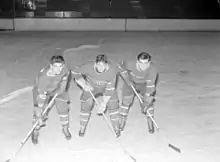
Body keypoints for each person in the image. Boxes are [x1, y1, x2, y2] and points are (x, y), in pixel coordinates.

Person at [71, 54, 121, 137]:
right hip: (92, 87)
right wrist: (84, 85)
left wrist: (104, 104)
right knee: (86, 104)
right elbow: (74, 72)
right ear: (95, 63)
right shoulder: (88, 67)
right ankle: (82, 126)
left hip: (106, 88)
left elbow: (109, 90)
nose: (101, 68)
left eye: (103, 65)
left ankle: (116, 127)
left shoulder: (112, 70)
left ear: (106, 64)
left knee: (113, 104)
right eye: (98, 65)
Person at [32, 55, 72, 144]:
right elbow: (40, 99)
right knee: (41, 112)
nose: (58, 69)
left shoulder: (65, 70)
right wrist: (39, 114)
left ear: (63, 65)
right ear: (51, 66)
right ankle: (35, 131)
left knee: (63, 107)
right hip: (42, 91)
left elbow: (64, 83)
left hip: (56, 89)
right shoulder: (43, 78)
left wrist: (60, 90)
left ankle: (65, 128)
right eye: (55, 66)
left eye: (60, 66)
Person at [119, 52, 159, 134]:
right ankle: (122, 121)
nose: (143, 66)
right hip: (131, 83)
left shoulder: (152, 70)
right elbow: (120, 67)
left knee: (148, 103)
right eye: (141, 63)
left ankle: (150, 121)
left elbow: (150, 85)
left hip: (144, 84)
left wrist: (147, 101)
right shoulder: (130, 63)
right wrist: (127, 79)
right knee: (126, 101)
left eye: (146, 63)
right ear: (137, 61)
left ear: (149, 62)